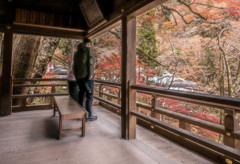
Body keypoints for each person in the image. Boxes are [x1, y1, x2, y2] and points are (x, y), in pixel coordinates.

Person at [73, 38, 97, 121]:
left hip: (79, 77)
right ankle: (88, 115)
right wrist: (91, 74)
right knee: (89, 95)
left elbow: (74, 66)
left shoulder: (76, 53)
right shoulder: (88, 50)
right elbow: (90, 63)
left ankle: (79, 114)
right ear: (89, 44)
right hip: (87, 77)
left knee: (81, 94)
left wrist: (76, 77)